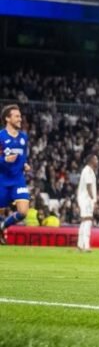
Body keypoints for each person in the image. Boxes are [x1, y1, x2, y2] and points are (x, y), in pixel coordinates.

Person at [0, 104, 31, 243]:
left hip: (18, 179)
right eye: (17, 116)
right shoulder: (1, 136)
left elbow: (23, 155)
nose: (20, 119)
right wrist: (4, 159)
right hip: (2, 179)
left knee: (23, 211)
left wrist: (24, 164)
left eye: (20, 116)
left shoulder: (23, 137)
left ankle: (3, 226)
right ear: (7, 118)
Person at [77, 153, 98, 252]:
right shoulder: (88, 171)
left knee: (84, 220)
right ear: (91, 161)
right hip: (86, 199)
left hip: (84, 198)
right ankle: (86, 245)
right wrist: (93, 199)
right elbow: (89, 186)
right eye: (96, 159)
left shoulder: (87, 170)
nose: (97, 161)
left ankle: (80, 244)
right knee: (88, 220)